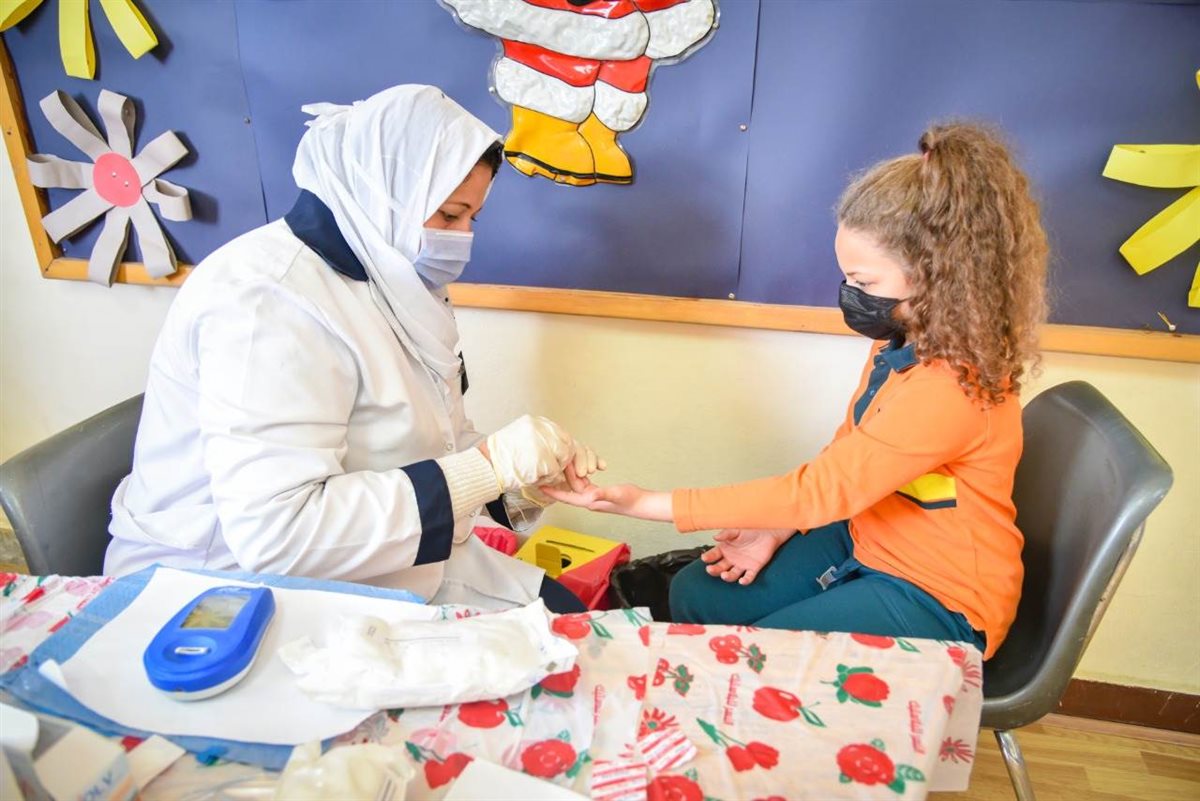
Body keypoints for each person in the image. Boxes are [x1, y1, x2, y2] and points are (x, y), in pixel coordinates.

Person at [544, 122, 1048, 658]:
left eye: (865, 282)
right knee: (695, 596)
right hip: (865, 532)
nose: (850, 294)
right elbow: (849, 454)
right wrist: (778, 526)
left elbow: (822, 491)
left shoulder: (953, 387)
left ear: (938, 275)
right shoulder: (899, 343)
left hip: (938, 591)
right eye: (847, 277)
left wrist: (644, 502)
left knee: (756, 656)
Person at [105, 85, 601, 612]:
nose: (462, 239)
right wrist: (488, 467)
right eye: (449, 215)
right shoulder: (265, 301)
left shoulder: (393, 283)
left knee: (575, 620)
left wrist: (518, 482)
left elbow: (430, 435)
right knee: (554, 647)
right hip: (230, 588)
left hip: (379, 557)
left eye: (471, 219)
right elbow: (278, 534)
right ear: (383, 194)